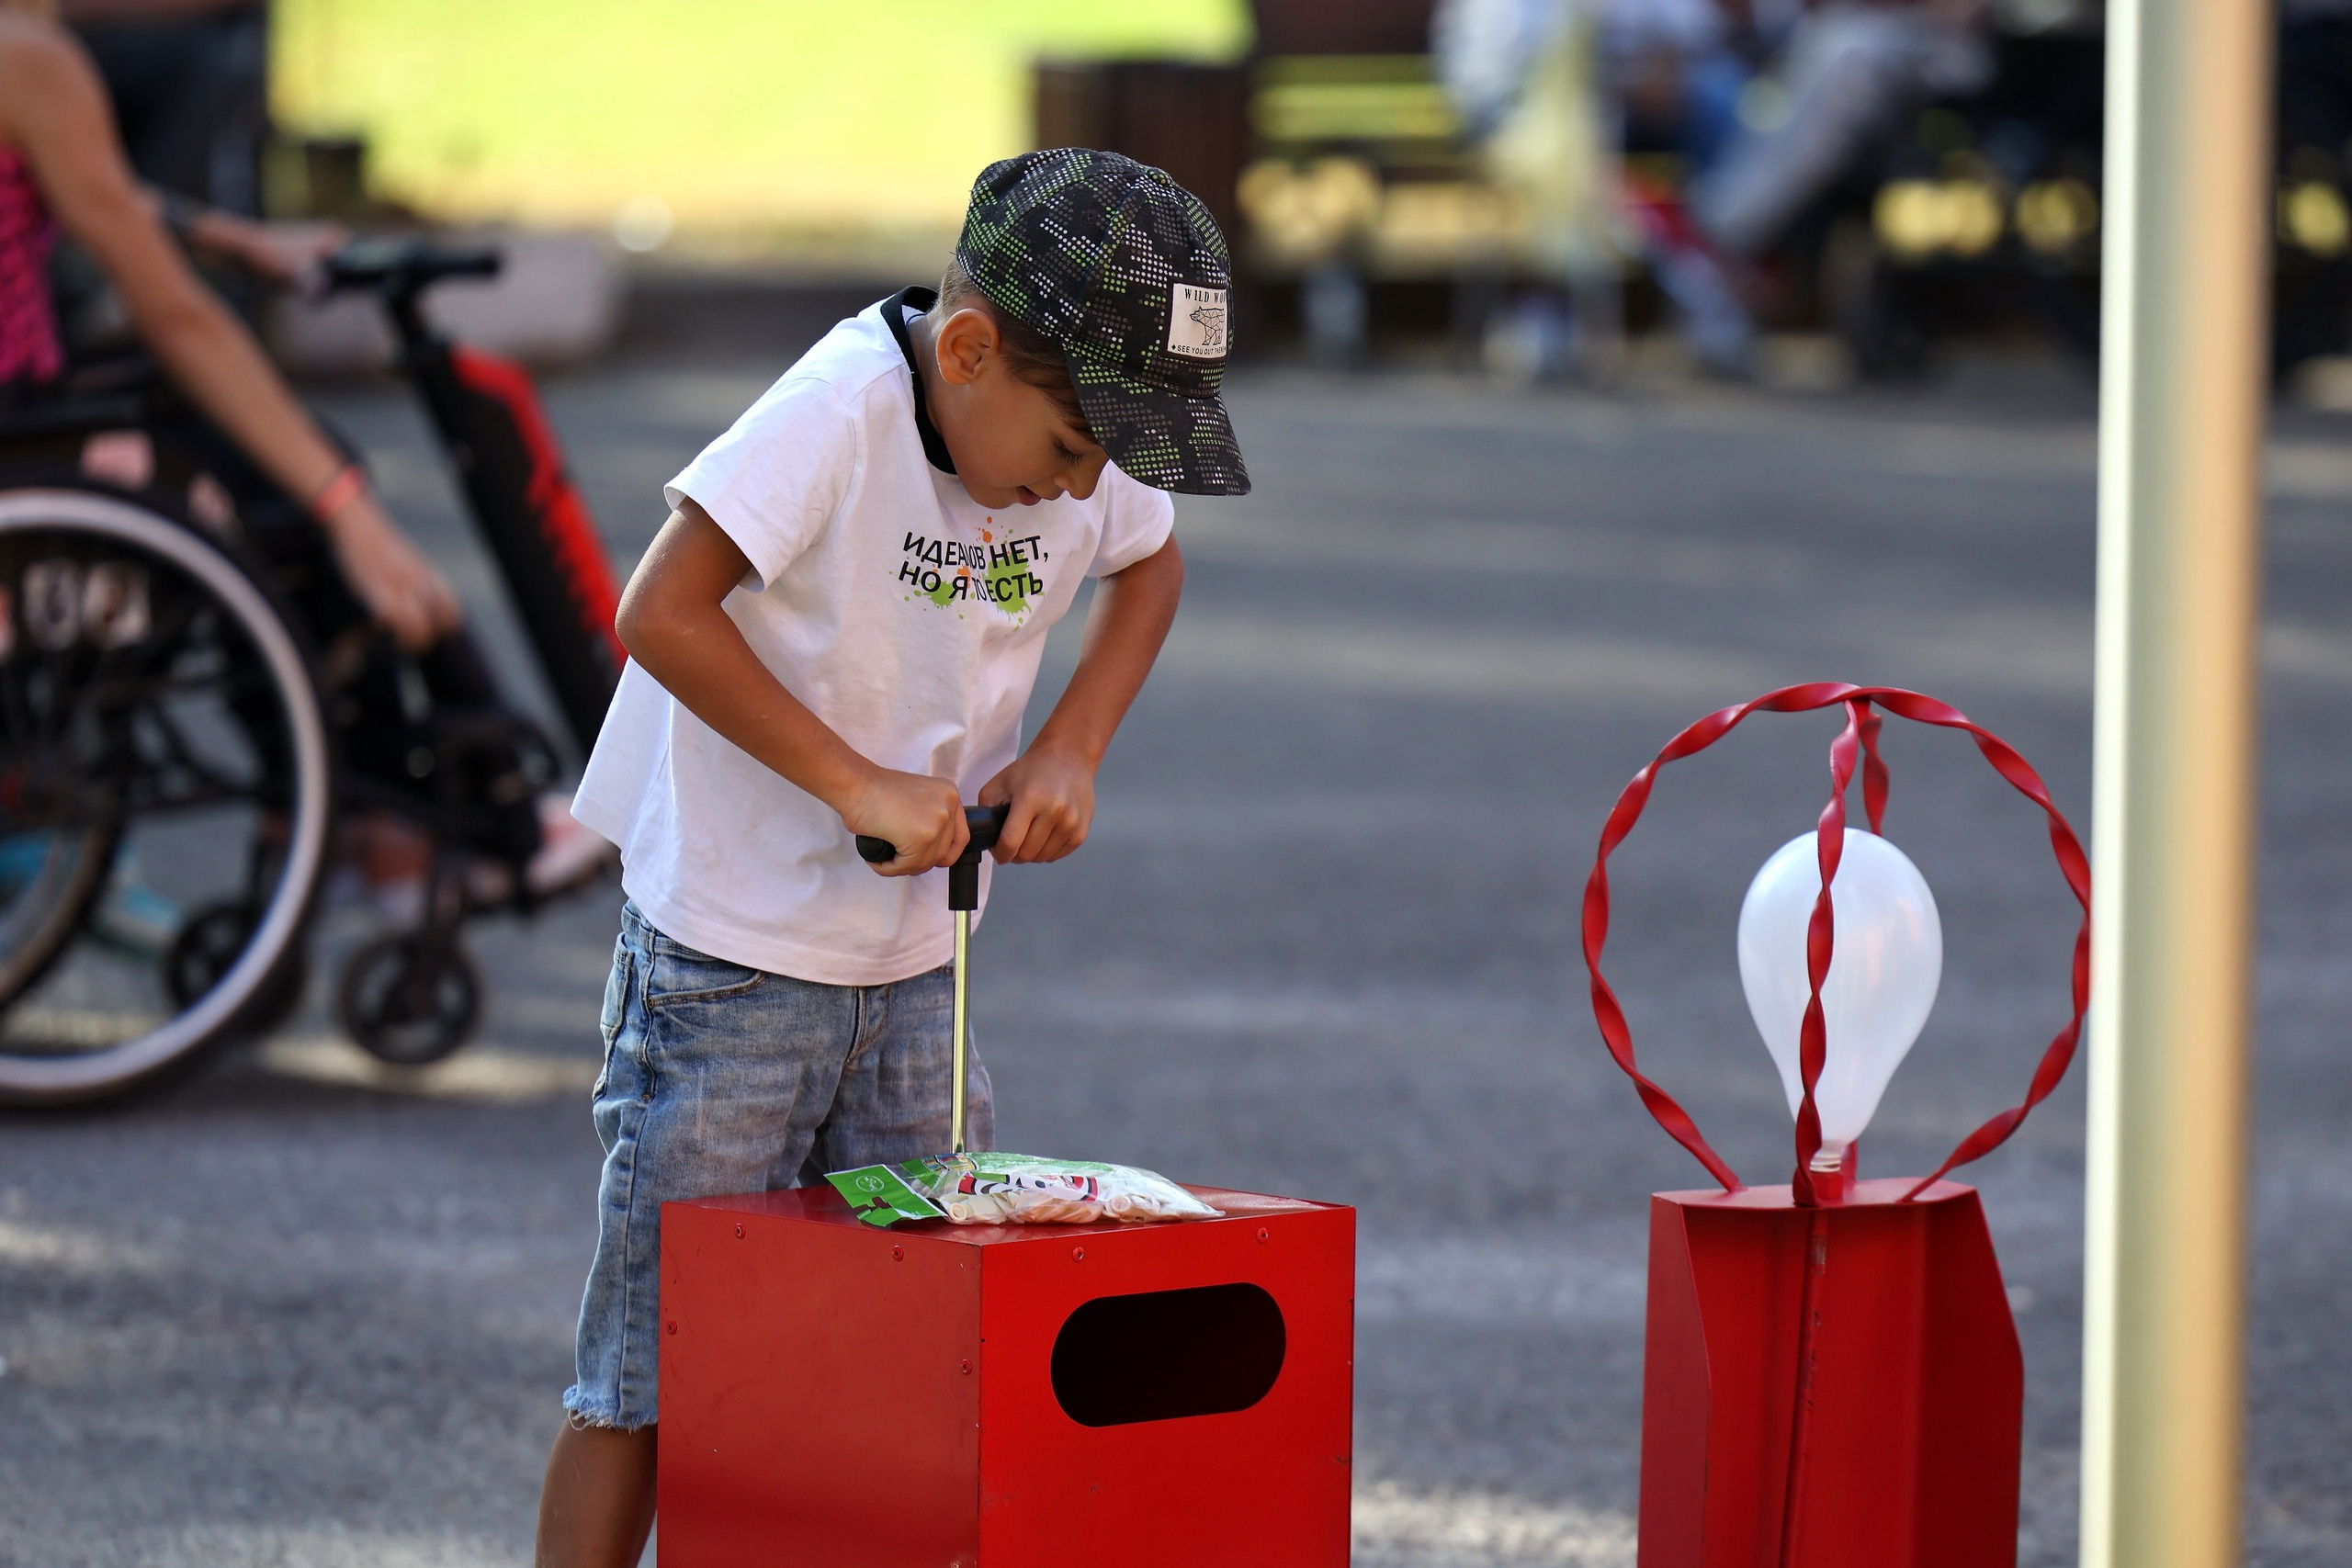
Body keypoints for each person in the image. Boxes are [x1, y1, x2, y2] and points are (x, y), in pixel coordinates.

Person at [535, 149, 1241, 1567]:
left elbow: (1151, 564)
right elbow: (660, 610)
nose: (1081, 489)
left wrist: (1072, 745)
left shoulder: (1067, 451)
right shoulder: (834, 416)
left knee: (922, 1340)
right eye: (1072, 449)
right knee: (655, 1369)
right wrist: (851, 781)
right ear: (966, 352)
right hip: (728, 971)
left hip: (922, 965)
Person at [0, 0, 609, 904]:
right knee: (285, 488)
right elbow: (180, 317)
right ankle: (406, 818)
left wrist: (232, 238)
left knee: (241, 454)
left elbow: (84, 182)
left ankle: (335, 808)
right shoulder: (28, 63)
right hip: (22, 444)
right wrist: (353, 515)